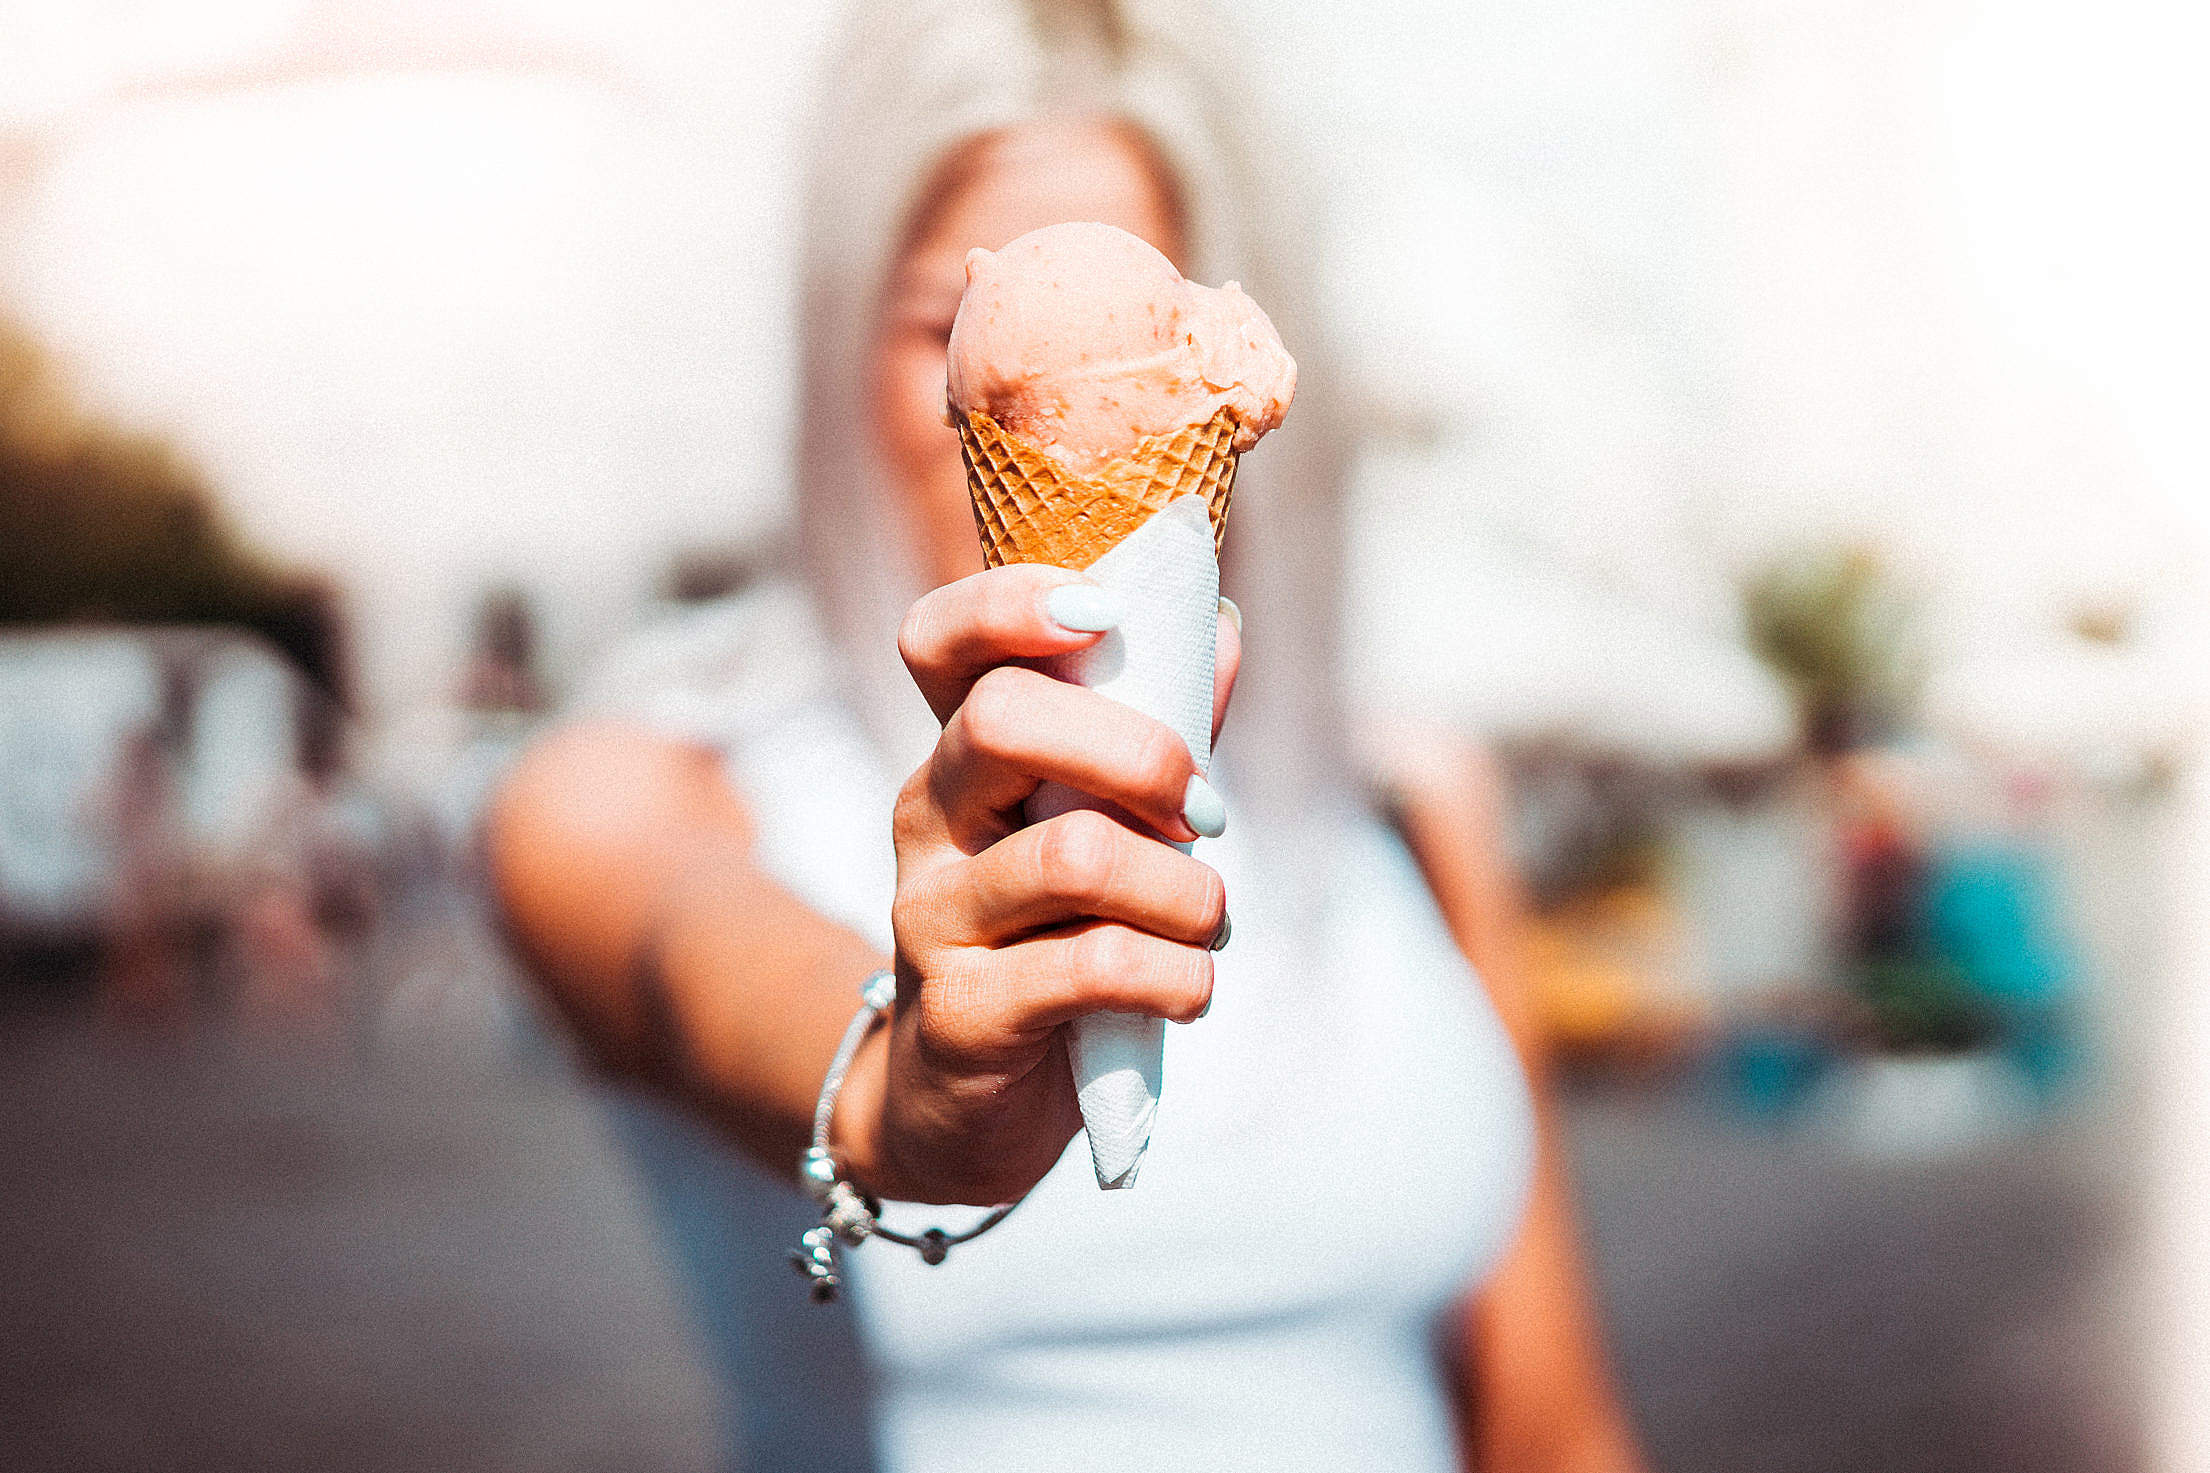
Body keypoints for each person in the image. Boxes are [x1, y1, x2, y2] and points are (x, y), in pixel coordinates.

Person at [486, 0, 1647, 1468]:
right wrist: (903, 1089)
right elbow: (700, 971)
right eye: (945, 334)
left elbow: (1555, 1431)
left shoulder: (1411, 802)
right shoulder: (636, 785)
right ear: (843, 345)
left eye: (1146, 353)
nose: (1059, 428)